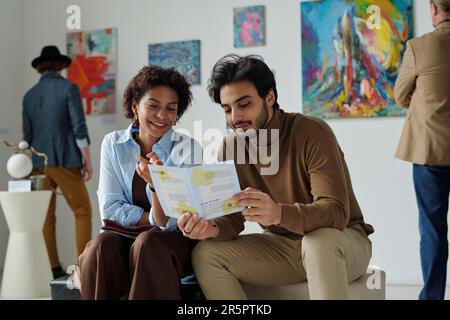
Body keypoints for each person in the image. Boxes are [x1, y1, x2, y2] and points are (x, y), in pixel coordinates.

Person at [177, 54, 374, 300]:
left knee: (318, 241)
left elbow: (335, 212)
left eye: (244, 104)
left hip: (341, 242)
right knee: (206, 254)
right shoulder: (230, 146)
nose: (235, 117)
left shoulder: (312, 132)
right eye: (227, 109)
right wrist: (211, 228)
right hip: (283, 247)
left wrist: (279, 213)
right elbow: (233, 217)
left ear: (269, 97)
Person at [77, 65, 202, 300]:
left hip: (171, 242)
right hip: (123, 237)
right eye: (153, 105)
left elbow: (172, 221)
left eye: (171, 109)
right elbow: (110, 209)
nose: (162, 115)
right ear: (135, 107)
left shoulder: (188, 148)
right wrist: (152, 216)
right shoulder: (113, 144)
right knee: (101, 246)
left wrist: (156, 185)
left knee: (148, 242)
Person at [394, 0, 450, 300]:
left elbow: (400, 95)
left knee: (433, 229)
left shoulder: (419, 47)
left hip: (430, 151)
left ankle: (432, 297)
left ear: (433, 9)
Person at [23, 45, 93, 280]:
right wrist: (87, 159)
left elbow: (27, 136)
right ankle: (85, 267)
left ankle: (53, 268)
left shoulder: (29, 96)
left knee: (46, 215)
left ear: (41, 67)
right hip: (65, 159)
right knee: (83, 211)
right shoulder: (69, 89)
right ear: (60, 66)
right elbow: (78, 127)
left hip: (37, 164)